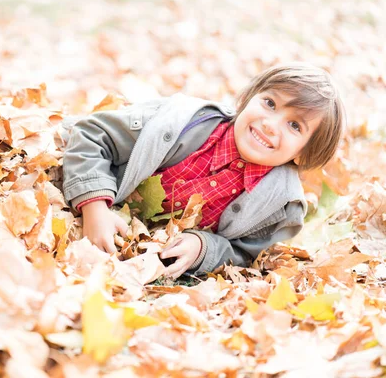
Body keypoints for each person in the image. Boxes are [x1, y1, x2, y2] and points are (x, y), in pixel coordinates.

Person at [61, 63, 344, 279]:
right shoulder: (177, 123)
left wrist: (204, 248)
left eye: (295, 126)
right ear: (247, 98)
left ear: (304, 154)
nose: (271, 124)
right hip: (95, 198)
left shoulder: (281, 207)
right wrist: (94, 208)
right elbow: (92, 134)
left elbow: (244, 252)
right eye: (269, 103)